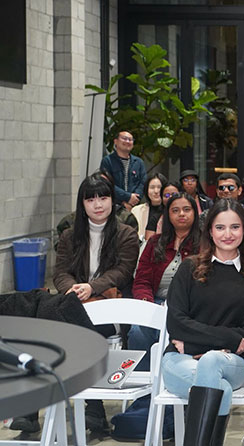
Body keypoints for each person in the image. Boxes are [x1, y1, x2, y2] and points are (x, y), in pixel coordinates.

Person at [162, 198, 244, 446]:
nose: (227, 234)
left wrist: (197, 343)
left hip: (232, 364)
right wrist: (228, 338)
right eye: (220, 227)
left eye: (235, 227)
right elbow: (176, 323)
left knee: (211, 361)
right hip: (178, 361)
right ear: (209, 230)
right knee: (221, 390)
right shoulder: (189, 269)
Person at [53, 172, 140, 434]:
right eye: (91, 199)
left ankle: (93, 406)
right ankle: (34, 410)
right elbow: (60, 272)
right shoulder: (70, 236)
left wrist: (92, 287)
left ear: (112, 201)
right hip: (76, 303)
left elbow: (123, 272)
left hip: (109, 305)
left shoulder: (126, 234)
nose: (98, 204)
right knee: (47, 324)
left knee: (75, 331)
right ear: (82, 204)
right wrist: (73, 289)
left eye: (103, 197)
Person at [130, 193, 200, 369]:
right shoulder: (155, 242)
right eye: (175, 210)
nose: (181, 214)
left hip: (189, 309)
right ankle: (144, 392)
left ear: (195, 213)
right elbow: (141, 281)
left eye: (186, 209)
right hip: (156, 303)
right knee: (138, 331)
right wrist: (148, 304)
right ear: (168, 215)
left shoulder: (206, 244)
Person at [99, 130, 147, 211]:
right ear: (116, 141)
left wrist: (134, 199)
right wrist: (127, 198)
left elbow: (143, 182)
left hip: (135, 207)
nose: (127, 141)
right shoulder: (107, 161)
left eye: (130, 140)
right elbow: (106, 183)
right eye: (124, 138)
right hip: (113, 206)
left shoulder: (139, 162)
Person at [131, 172, 167, 242]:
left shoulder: (170, 211)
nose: (156, 191)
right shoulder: (136, 210)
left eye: (159, 187)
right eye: (152, 187)